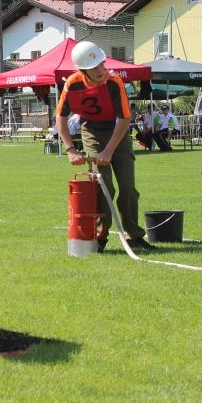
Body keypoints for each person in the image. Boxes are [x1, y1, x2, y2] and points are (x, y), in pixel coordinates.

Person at [56, 41, 152, 252]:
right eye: (94, 67)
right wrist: (71, 150)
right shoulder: (72, 84)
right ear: (82, 70)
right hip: (91, 132)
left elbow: (125, 119)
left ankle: (134, 235)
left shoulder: (114, 82)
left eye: (102, 64)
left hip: (118, 133)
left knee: (127, 187)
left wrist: (109, 150)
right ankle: (100, 237)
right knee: (103, 186)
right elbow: (60, 118)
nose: (100, 70)